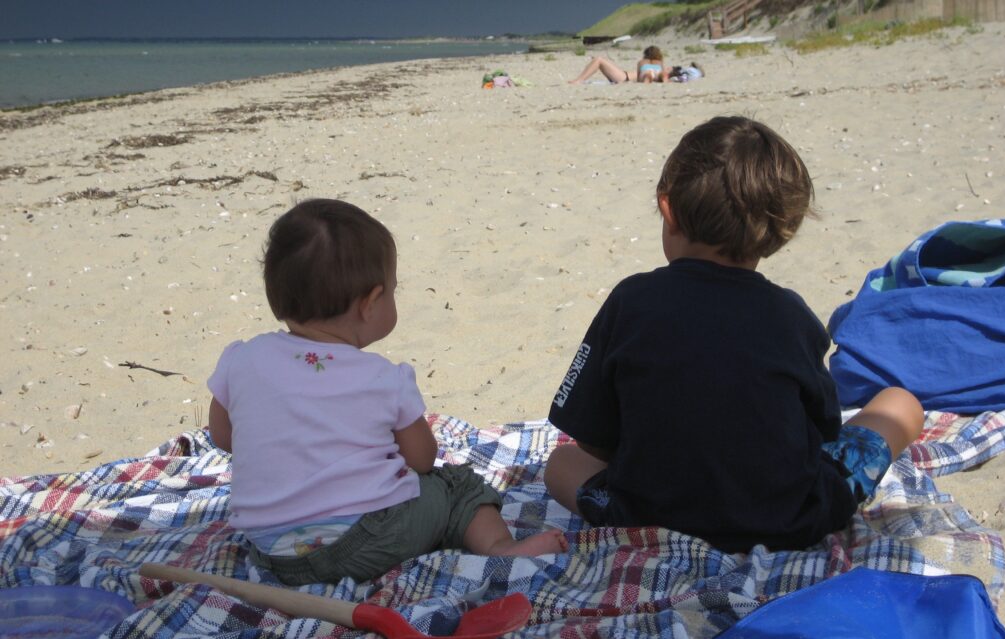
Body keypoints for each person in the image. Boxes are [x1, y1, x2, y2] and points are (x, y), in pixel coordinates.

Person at [543, 116, 924, 553]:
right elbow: (820, 430)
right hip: (790, 520)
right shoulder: (790, 315)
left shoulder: (631, 300)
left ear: (667, 210)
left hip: (648, 519)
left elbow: (594, 439)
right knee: (901, 404)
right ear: (782, 230)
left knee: (560, 463)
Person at [208, 199, 567, 586]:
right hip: (363, 541)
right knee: (455, 486)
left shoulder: (242, 360)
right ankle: (500, 549)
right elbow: (423, 459)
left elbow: (223, 436)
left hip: (273, 551)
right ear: (370, 304)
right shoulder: (381, 377)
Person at [569, 45, 669, 85]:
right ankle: (579, 80)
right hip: (625, 76)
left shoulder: (643, 63)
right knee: (600, 59)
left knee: (598, 60)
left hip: (624, 78)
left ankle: (579, 80)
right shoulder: (659, 64)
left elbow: (639, 79)